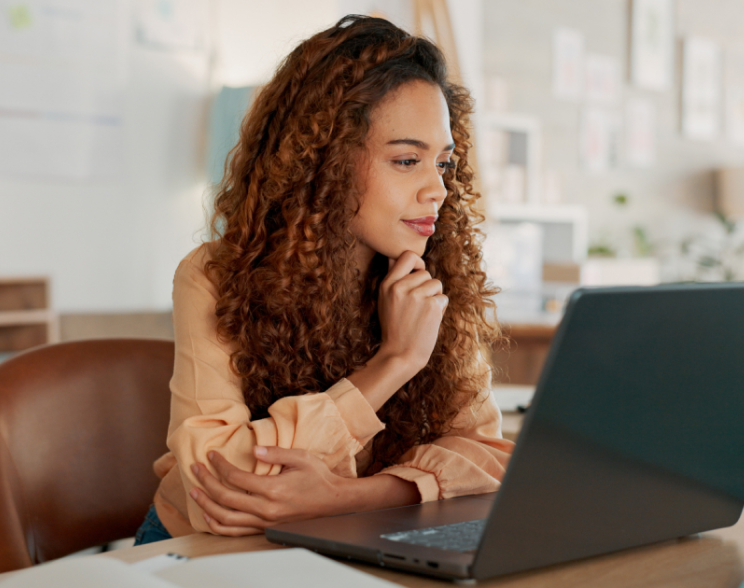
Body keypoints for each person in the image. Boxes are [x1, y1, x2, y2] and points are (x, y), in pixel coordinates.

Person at [134, 14, 514, 545]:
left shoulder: (435, 278)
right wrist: (393, 363)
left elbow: (488, 458)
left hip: (353, 533)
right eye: (407, 160)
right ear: (325, 162)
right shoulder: (215, 275)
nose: (438, 189)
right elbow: (217, 482)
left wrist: (347, 498)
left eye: (444, 163)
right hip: (202, 548)